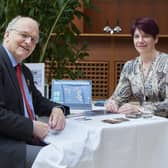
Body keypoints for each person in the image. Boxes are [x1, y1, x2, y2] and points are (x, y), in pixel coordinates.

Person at [0, 16, 70, 168]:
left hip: (26, 140)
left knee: (74, 152)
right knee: (61, 161)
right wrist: (31, 127)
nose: (28, 42)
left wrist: (57, 109)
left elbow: (38, 102)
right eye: (24, 35)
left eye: (33, 40)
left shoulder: (23, 71)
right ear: (7, 34)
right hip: (7, 146)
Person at [105, 17, 168, 116]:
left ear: (156, 39)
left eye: (146, 36)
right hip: (142, 123)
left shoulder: (166, 63)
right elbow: (119, 97)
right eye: (136, 36)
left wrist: (140, 108)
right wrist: (113, 102)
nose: (140, 40)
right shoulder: (130, 66)